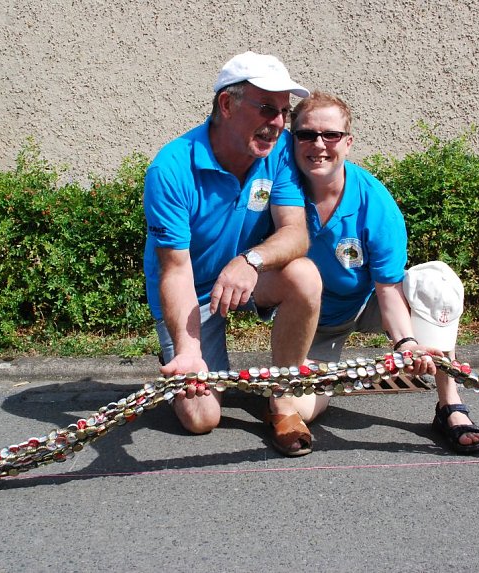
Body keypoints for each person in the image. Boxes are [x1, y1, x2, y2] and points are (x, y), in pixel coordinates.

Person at [143, 51, 325, 456]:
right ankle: (180, 354)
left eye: (283, 111)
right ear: (227, 104)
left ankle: (281, 398)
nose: (278, 123)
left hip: (246, 278)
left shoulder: (277, 152)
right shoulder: (170, 169)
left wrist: (250, 261)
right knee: (201, 419)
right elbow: (174, 271)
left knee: (304, 275)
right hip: (191, 292)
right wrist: (190, 353)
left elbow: (295, 233)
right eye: (266, 108)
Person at [290, 91, 479, 454]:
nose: (319, 144)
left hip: (367, 304)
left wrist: (406, 343)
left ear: (347, 142)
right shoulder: (282, 191)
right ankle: (309, 377)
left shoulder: (375, 202)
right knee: (300, 409)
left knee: (436, 281)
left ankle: (449, 403)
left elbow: (388, 289)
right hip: (313, 321)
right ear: (293, 139)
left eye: (330, 135)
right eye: (306, 134)